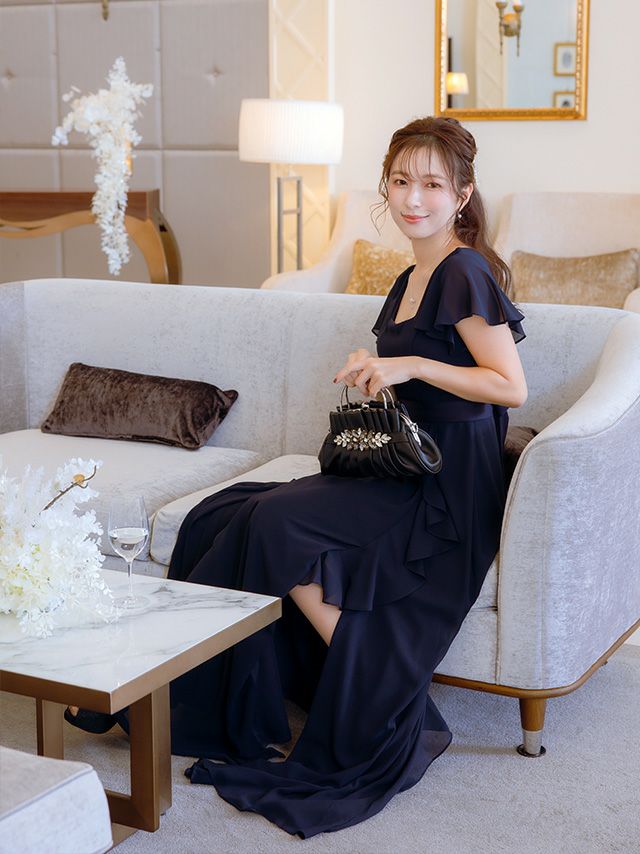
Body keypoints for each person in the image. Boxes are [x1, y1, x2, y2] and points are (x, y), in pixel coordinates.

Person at [66, 116, 527, 839]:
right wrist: (377, 370)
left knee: (275, 523)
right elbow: (422, 375)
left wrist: (410, 364)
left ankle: (376, 685)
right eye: (401, 181)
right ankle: (173, 693)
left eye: (433, 185)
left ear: (462, 195)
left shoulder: (463, 270)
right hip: (399, 463)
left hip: (445, 487)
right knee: (225, 511)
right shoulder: (411, 275)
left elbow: (510, 387)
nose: (413, 199)